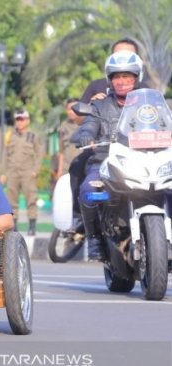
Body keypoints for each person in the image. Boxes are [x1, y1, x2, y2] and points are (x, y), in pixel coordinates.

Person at [72, 50, 143, 260]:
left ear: (136, 78)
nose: (122, 81)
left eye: (127, 76)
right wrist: (85, 136)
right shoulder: (99, 106)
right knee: (88, 191)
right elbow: (89, 125)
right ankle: (94, 237)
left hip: (142, 162)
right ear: (110, 80)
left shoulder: (146, 106)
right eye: (117, 77)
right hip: (105, 162)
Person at [0, 109, 43, 236]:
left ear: (27, 121)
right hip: (12, 172)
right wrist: (3, 173)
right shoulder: (10, 135)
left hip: (27, 172)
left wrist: (35, 170)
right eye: (17, 119)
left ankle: (32, 226)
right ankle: (14, 226)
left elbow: (39, 154)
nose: (19, 122)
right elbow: (5, 155)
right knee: (11, 201)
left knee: (31, 199)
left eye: (22, 119)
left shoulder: (33, 136)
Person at [80, 38, 138, 103]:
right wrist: (92, 106)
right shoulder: (96, 86)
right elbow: (80, 110)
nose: (123, 59)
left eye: (128, 55)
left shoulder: (145, 89)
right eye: (118, 55)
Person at [56, 98, 83, 179]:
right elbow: (61, 151)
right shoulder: (63, 127)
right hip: (67, 168)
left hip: (83, 167)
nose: (72, 111)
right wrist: (59, 171)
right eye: (69, 109)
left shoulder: (89, 124)